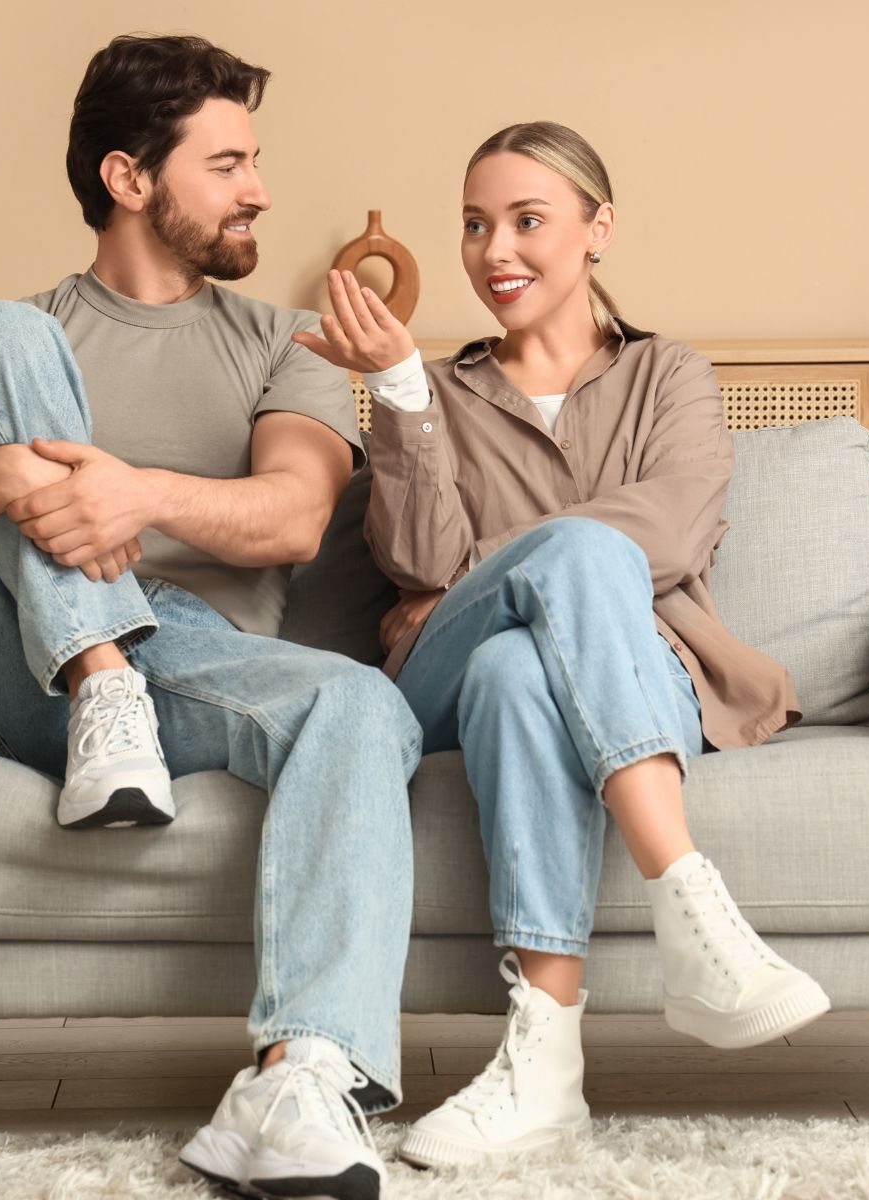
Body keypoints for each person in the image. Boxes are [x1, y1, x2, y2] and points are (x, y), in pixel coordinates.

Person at [0, 34, 417, 1200]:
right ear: (129, 177)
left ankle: (298, 1082)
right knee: (2, 328)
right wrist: (5, 472)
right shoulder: (8, 344)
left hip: (194, 668)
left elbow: (297, 516)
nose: (260, 190)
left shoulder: (286, 342)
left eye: (255, 161)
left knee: (362, 703)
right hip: (10, 673)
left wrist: (135, 494)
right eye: (227, 164)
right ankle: (96, 673)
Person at [294, 121, 830, 1168]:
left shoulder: (669, 374)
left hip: (644, 670)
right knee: (554, 584)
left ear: (599, 229)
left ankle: (542, 1070)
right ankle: (692, 912)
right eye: (474, 225)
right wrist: (398, 390)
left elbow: (672, 533)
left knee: (518, 661)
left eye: (527, 221)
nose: (495, 251)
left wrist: (498, 569)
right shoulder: (436, 393)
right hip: (437, 684)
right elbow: (417, 562)